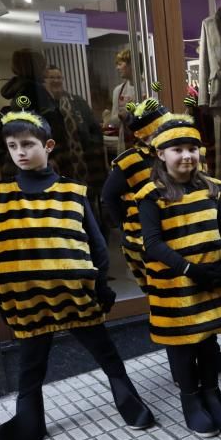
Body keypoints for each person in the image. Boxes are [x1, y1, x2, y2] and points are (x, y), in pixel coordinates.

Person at [0, 100, 153, 440]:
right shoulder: (0, 196)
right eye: (13, 146)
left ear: (47, 146)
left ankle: (128, 400)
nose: (20, 153)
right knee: (31, 367)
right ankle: (29, 423)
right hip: (28, 302)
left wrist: (102, 285)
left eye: (27, 144)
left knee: (105, 352)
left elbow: (96, 243)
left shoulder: (72, 191)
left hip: (76, 295)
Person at [136, 114, 221, 437]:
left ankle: (212, 392)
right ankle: (191, 399)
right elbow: (152, 244)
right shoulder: (151, 195)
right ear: (161, 154)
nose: (186, 156)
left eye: (192, 148)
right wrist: (189, 269)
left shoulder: (210, 187)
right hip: (176, 285)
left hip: (211, 279)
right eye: (177, 149)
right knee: (183, 345)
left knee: (208, 341)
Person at [101, 91, 170, 291]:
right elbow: (108, 196)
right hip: (143, 238)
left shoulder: (172, 153)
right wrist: (125, 225)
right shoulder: (130, 160)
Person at [0, 49, 68, 178]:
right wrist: (48, 157)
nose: (46, 70)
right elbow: (35, 129)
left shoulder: (24, 89)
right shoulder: (32, 91)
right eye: (43, 65)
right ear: (35, 66)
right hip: (40, 161)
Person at [44, 64, 108, 203]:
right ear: (45, 80)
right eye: (51, 77)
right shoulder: (44, 106)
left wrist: (94, 149)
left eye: (59, 77)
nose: (56, 80)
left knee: (90, 201)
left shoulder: (78, 101)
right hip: (62, 165)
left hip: (87, 163)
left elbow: (94, 128)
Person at [108, 49, 138, 148]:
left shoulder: (149, 89)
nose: (117, 68)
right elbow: (113, 122)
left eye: (120, 64)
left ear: (131, 65)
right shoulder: (118, 90)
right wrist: (121, 116)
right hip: (125, 144)